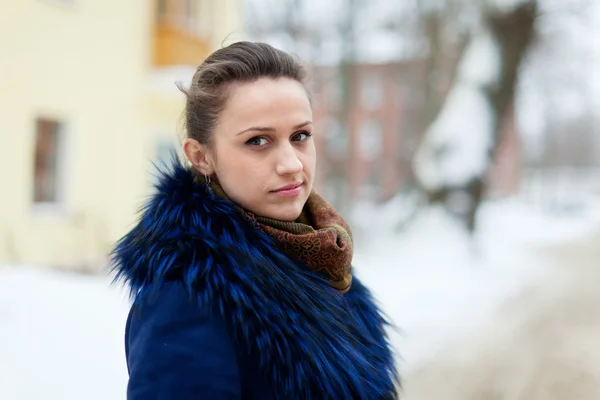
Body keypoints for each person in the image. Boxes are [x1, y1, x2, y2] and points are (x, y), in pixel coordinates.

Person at [111, 41, 399, 400]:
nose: (292, 163)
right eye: (258, 141)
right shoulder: (187, 297)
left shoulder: (322, 258)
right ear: (201, 157)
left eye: (300, 136)